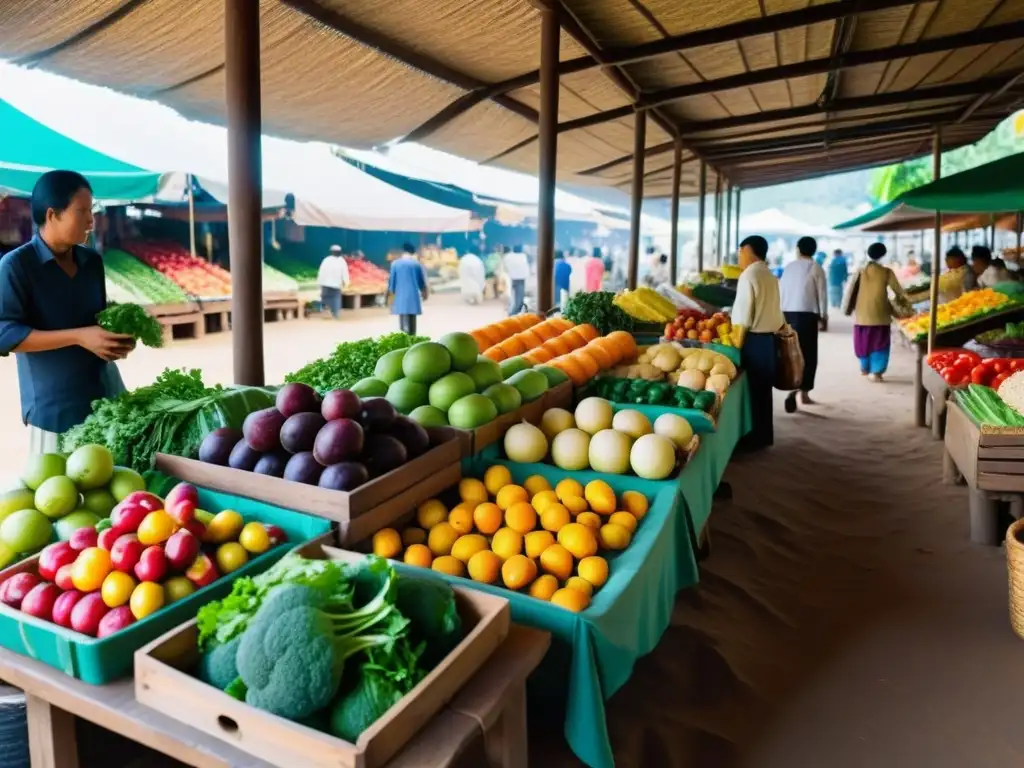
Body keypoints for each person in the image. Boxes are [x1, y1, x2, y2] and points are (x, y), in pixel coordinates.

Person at [0, 171, 135, 453]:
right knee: (58, 493)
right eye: (82, 211)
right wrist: (79, 337)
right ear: (53, 215)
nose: (91, 220)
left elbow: (96, 321)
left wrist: (115, 339)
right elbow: (5, 333)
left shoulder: (91, 262)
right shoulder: (16, 266)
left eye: (92, 210)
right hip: (54, 409)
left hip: (107, 399)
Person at [732, 235, 786, 450]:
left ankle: (750, 440)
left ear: (749, 251)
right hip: (769, 341)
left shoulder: (748, 275)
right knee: (763, 392)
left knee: (751, 392)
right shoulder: (769, 275)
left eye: (740, 252)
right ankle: (764, 436)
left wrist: (735, 344)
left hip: (753, 341)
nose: (739, 257)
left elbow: (743, 318)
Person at [846, 242, 909, 382]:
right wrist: (904, 306)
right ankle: (876, 372)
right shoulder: (886, 272)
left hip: (861, 314)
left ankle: (864, 367)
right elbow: (898, 292)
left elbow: (850, 291)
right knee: (880, 342)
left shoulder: (860, 271)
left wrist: (847, 309)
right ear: (883, 254)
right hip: (880, 314)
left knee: (863, 341)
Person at [780, 236, 827, 412]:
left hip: (787, 314)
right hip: (808, 316)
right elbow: (822, 294)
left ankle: (792, 386)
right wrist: (824, 316)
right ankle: (803, 392)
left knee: (790, 353)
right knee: (808, 354)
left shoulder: (789, 267)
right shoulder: (817, 268)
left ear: (798, 249)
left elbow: (781, 291)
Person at [388, 243, 428, 335]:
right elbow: (421, 282)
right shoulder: (416, 264)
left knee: (402, 318)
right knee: (412, 320)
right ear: (413, 252)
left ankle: (403, 336)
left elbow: (392, 282)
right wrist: (424, 293)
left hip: (400, 295)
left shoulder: (395, 264)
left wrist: (391, 296)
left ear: (403, 251)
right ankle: (412, 337)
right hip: (413, 295)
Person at [316, 245, 350, 319]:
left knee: (325, 297)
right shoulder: (341, 261)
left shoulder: (326, 260)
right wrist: (346, 283)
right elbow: (345, 273)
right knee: (336, 299)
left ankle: (322, 310)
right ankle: (335, 314)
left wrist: (319, 282)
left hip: (326, 283)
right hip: (336, 284)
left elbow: (321, 272)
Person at [503, 244, 529, 315]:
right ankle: (513, 313)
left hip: (512, 278)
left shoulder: (508, 256)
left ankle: (512, 311)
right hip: (521, 279)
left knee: (513, 297)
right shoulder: (523, 256)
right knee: (519, 298)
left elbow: (505, 267)